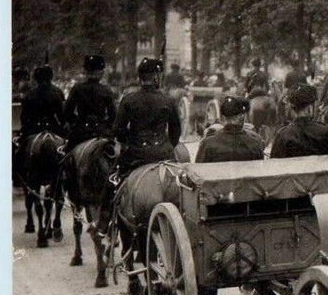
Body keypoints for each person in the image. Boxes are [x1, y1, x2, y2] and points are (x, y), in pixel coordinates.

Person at [97, 58, 181, 236]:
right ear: (157, 77)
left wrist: (131, 140)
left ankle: (104, 224)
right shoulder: (168, 100)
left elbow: (118, 130)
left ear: (141, 77)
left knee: (112, 181)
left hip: (136, 154)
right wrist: (167, 145)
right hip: (163, 153)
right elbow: (176, 130)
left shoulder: (129, 100)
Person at [16, 64, 66, 181]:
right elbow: (61, 116)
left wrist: (24, 130)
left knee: (19, 152)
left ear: (36, 79)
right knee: (66, 150)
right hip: (53, 128)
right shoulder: (57, 93)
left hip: (34, 128)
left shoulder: (30, 94)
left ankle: (18, 177)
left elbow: (24, 117)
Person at [270, 83, 328, 159]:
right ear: (310, 108)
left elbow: (274, 162)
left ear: (293, 108)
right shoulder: (325, 131)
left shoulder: (282, 135)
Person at [62, 54, 116, 150]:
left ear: (86, 71)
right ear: (101, 73)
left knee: (66, 155)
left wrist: (75, 122)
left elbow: (66, 112)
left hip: (81, 131)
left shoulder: (77, 88)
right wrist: (105, 124)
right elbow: (113, 115)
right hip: (101, 131)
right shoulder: (106, 90)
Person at [194, 96, 266, 163]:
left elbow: (196, 172)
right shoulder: (255, 142)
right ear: (243, 117)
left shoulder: (208, 143)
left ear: (223, 118)